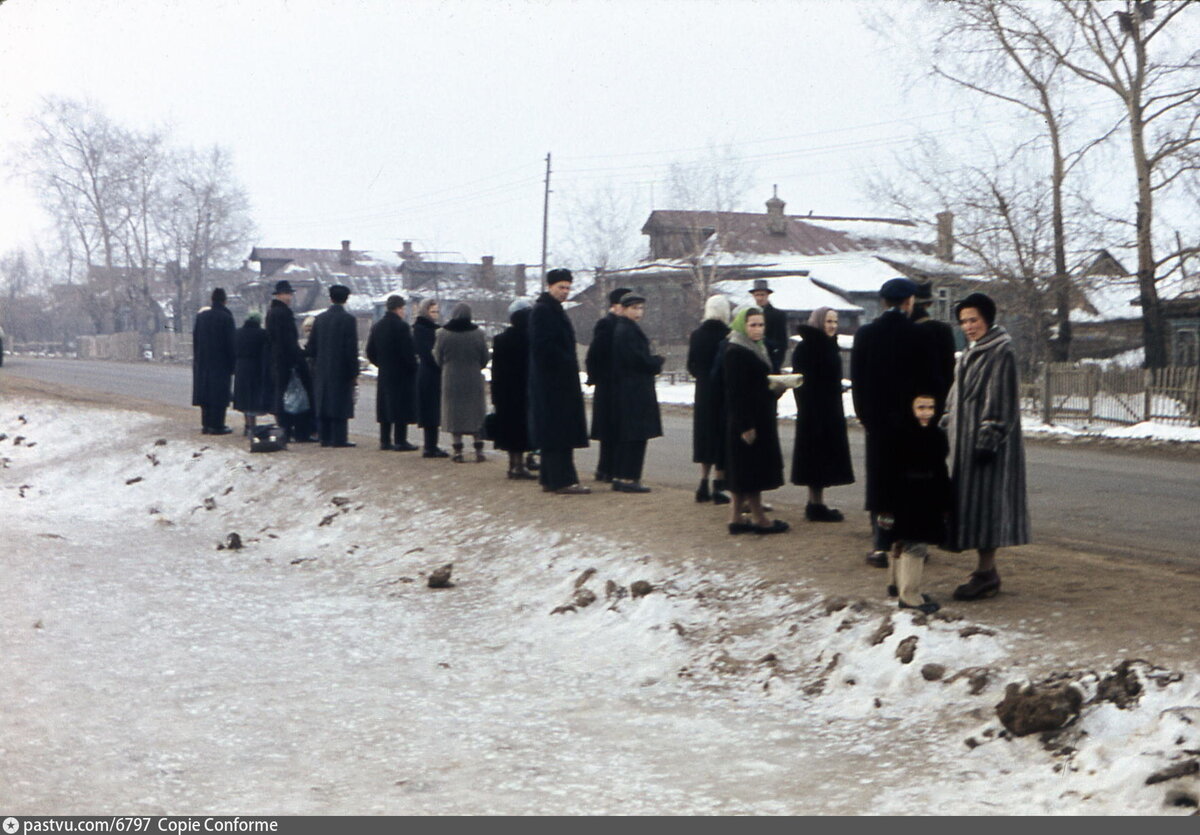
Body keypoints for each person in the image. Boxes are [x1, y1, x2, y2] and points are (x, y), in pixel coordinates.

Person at [943, 292, 1031, 601]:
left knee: (987, 509)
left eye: (973, 320)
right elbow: (956, 396)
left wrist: (988, 439)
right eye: (964, 321)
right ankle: (984, 571)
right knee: (972, 508)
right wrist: (944, 424)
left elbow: (1001, 400)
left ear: (987, 320)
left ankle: (987, 573)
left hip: (987, 448)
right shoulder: (972, 351)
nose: (968, 326)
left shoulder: (1000, 351)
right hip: (965, 444)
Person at [850, 277, 928, 567]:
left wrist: (866, 417)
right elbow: (929, 383)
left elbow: (858, 382)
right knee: (909, 481)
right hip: (911, 423)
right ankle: (908, 542)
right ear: (909, 302)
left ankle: (881, 543)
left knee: (881, 483)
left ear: (883, 303)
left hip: (879, 424)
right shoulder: (920, 335)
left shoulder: (866, 334)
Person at [878, 394, 951, 615]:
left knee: (901, 541)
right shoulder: (904, 435)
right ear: (910, 409)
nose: (926, 412)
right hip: (910, 496)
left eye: (931, 407)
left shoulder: (934, 434)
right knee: (915, 544)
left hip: (922, 495)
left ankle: (896, 584)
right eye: (921, 407)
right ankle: (909, 595)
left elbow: (941, 467)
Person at [723, 306, 788, 534]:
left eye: (761, 325)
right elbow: (736, 392)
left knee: (744, 470)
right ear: (742, 325)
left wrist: (775, 390)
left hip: (759, 415)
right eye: (753, 325)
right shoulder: (737, 351)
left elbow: (757, 386)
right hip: (749, 419)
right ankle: (759, 519)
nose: (758, 329)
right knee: (751, 471)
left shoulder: (755, 348)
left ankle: (736, 518)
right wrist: (746, 425)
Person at [528, 268, 590, 495]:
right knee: (558, 432)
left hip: (554, 381)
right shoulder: (544, 311)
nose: (565, 292)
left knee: (555, 431)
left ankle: (550, 478)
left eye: (567, 287)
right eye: (560, 287)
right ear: (549, 286)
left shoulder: (551, 310)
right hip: (553, 382)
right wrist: (564, 363)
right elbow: (544, 346)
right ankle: (562, 480)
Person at [791, 306, 854, 521]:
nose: (833, 326)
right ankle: (814, 504)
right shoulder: (807, 347)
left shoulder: (828, 345)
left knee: (824, 457)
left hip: (830, 408)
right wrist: (810, 407)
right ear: (819, 322)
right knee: (815, 457)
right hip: (814, 411)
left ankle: (817, 503)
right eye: (828, 321)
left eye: (835, 321)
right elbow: (801, 382)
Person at [609, 293, 664, 493]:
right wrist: (656, 362)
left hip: (631, 388)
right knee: (635, 435)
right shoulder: (626, 331)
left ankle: (624, 476)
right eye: (634, 308)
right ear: (623, 309)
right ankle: (628, 477)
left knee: (632, 435)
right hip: (634, 389)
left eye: (641, 308)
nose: (638, 312)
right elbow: (637, 360)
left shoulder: (626, 329)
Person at [687, 294, 732, 505]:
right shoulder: (728, 335)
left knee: (704, 437)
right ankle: (718, 486)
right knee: (721, 437)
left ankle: (702, 483)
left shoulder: (697, 335)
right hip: (722, 391)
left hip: (703, 390)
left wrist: (702, 376)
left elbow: (691, 366)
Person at [584, 286, 631, 482]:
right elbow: (595, 353)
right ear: (616, 306)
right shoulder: (607, 324)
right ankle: (606, 469)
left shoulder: (621, 324)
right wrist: (597, 376)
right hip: (610, 383)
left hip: (615, 383)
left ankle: (609, 469)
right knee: (610, 428)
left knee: (615, 428)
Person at [305, 284, 360, 448]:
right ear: (346, 299)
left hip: (322, 367)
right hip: (341, 368)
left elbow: (312, 347)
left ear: (330, 298)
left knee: (323, 400)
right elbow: (351, 348)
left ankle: (324, 437)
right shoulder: (349, 320)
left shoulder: (320, 319)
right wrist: (354, 372)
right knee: (340, 403)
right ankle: (339, 438)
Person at [434, 303, 489, 462]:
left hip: (451, 377)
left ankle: (458, 451)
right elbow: (485, 357)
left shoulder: (442, 333)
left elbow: (438, 357)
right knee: (475, 414)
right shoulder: (478, 334)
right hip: (472, 377)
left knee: (454, 414)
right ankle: (479, 449)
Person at [365, 295, 419, 451]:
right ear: (399, 308)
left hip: (385, 372)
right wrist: (413, 367)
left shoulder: (377, 326)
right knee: (400, 406)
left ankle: (385, 440)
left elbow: (370, 351)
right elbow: (408, 352)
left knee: (385, 405)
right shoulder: (402, 327)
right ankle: (400, 440)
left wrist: (381, 363)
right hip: (401, 373)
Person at [265, 279, 316, 443]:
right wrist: (298, 357)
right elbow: (287, 340)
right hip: (288, 361)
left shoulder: (272, 312)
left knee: (283, 396)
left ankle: (285, 430)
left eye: (289, 294)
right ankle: (300, 431)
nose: (289, 297)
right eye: (287, 294)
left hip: (278, 361)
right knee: (298, 396)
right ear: (279, 295)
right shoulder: (283, 313)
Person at [491, 298, 536, 479]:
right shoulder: (531, 339)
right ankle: (521, 464)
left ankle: (513, 464)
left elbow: (496, 369)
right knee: (524, 427)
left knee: (510, 429)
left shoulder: (501, 339)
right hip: (525, 389)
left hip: (505, 391)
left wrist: (495, 394)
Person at [191, 287, 236, 435]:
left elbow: (195, 339)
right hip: (220, 362)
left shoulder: (201, 317)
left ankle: (206, 424)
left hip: (203, 361)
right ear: (225, 301)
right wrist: (233, 364)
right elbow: (231, 343)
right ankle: (217, 425)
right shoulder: (226, 318)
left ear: (212, 300)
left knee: (205, 392)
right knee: (219, 394)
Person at [912, 282, 958, 417]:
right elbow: (949, 371)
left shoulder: (899, 331)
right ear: (929, 304)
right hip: (937, 403)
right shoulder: (942, 330)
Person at [413, 298, 449, 458]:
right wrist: (440, 363)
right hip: (429, 373)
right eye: (432, 311)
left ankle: (432, 445)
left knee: (433, 410)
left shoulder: (434, 329)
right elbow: (427, 353)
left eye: (436, 311)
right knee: (430, 410)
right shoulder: (421, 329)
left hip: (433, 372)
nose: (435, 315)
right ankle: (430, 446)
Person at [232, 313, 272, 437]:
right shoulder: (262, 334)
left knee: (244, 397)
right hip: (256, 367)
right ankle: (253, 426)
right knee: (254, 396)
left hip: (240, 366)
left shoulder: (237, 333)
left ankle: (248, 425)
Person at [750, 279, 789, 373]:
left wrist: (776, 364)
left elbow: (783, 343)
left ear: (767, 295)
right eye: (757, 295)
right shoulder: (748, 315)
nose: (759, 298)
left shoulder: (778, 315)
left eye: (762, 295)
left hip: (771, 361)